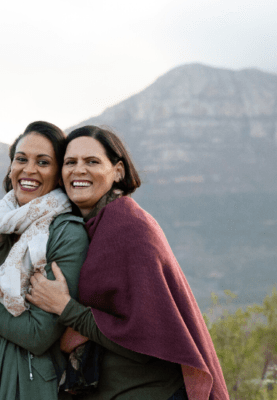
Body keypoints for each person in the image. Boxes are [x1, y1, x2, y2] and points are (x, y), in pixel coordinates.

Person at [26, 125, 229, 400]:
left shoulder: (130, 227)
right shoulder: (78, 230)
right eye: (70, 162)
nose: (79, 170)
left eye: (92, 161)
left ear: (118, 171)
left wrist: (65, 308)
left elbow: (146, 338)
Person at [0, 121, 89, 400]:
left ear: (59, 175)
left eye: (43, 162)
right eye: (21, 159)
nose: (29, 170)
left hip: (29, 385)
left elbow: (38, 334)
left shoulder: (65, 233)